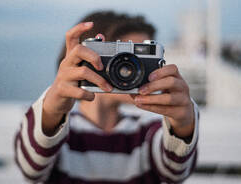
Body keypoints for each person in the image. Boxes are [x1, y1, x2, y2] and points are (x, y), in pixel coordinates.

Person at [14, 11, 199, 183]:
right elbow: (31, 169)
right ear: (88, 59)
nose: (134, 69)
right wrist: (51, 111)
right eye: (126, 57)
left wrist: (182, 125)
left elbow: (175, 172)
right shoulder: (58, 129)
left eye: (143, 57)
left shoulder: (148, 131)